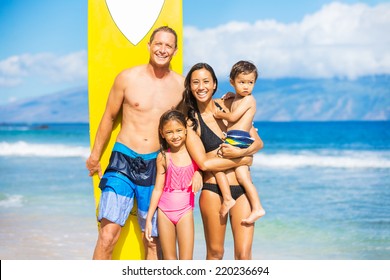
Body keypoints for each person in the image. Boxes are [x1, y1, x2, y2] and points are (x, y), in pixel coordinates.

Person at [86, 26, 186, 260]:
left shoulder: (182, 87)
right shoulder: (127, 78)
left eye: (168, 46)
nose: (162, 49)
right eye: (158, 44)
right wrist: (94, 156)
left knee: (152, 241)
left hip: (157, 165)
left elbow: (192, 125)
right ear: (149, 45)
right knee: (107, 235)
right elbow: (109, 117)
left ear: (175, 50)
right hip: (122, 160)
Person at [183, 62, 264, 260]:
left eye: (206, 81)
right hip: (213, 191)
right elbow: (204, 164)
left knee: (244, 256)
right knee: (215, 253)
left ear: (215, 85)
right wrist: (243, 158)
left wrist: (242, 154)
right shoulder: (191, 121)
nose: (201, 87)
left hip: (242, 190)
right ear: (190, 87)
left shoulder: (230, 106)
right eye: (195, 82)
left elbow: (258, 142)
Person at [213, 60, 266, 224]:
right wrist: (231, 94)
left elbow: (233, 117)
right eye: (241, 82)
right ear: (232, 82)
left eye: (250, 83)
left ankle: (228, 198)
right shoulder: (237, 97)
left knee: (215, 165)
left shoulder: (249, 100)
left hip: (238, 138)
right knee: (242, 176)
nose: (246, 87)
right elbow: (235, 104)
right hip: (237, 137)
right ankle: (257, 207)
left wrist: (219, 114)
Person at [144, 109, 200, 260]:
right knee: (169, 261)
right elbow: (157, 189)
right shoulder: (163, 157)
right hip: (164, 213)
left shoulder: (193, 153)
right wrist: (149, 219)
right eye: (169, 132)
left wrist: (198, 173)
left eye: (179, 130)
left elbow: (206, 165)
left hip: (185, 211)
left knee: (186, 261)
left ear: (186, 130)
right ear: (162, 133)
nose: (175, 136)